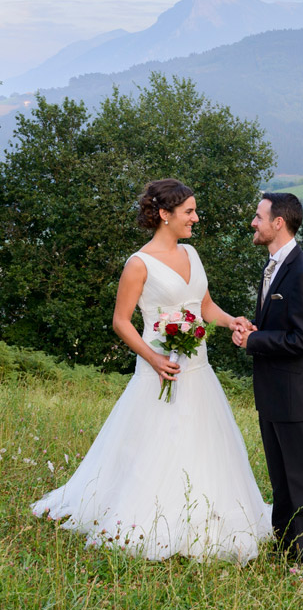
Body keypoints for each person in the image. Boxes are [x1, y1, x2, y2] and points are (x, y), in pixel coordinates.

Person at [31, 179, 273, 562]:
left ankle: (207, 514)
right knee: (153, 444)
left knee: (207, 445)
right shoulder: (138, 264)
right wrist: (153, 358)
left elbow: (204, 305)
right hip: (158, 371)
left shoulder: (192, 253)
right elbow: (121, 322)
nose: (196, 217)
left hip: (198, 371)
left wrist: (230, 321)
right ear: (165, 214)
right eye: (189, 211)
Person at [232, 192, 303, 566]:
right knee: (282, 482)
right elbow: (280, 328)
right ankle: (286, 549)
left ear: (278, 223)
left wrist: (255, 340)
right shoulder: (271, 267)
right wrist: (254, 332)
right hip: (272, 395)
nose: (253, 223)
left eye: (258, 217)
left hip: (295, 397)